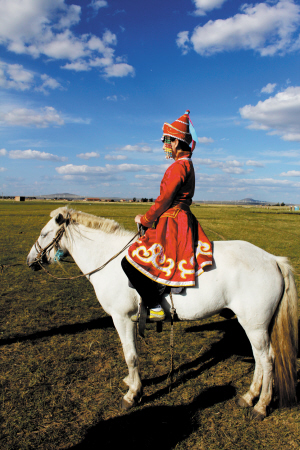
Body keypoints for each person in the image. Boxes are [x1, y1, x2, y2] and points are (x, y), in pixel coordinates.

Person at [121, 110, 213, 322]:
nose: (166, 146)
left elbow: (164, 199)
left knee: (129, 263)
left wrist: (144, 219)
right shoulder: (187, 164)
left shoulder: (177, 167)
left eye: (168, 141)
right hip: (183, 218)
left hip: (172, 222)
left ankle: (155, 307)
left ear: (176, 142)